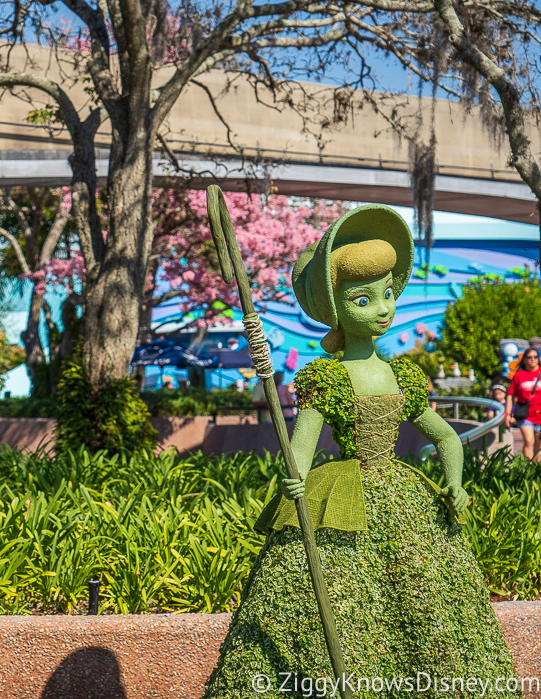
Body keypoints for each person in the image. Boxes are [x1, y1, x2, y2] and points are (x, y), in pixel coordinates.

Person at [203, 204, 517, 698]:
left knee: (420, 595)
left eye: (387, 295)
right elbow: (302, 445)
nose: (383, 309)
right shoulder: (325, 377)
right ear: (338, 307)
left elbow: (445, 436)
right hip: (342, 492)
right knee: (339, 594)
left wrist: (455, 483)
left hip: (405, 496)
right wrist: (295, 479)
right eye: (365, 299)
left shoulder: (404, 376)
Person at [506, 347, 541, 461]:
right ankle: (527, 469)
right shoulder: (519, 375)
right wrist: (508, 413)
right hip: (525, 415)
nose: (532, 359)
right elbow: (510, 394)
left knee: (539, 445)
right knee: (529, 441)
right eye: (529, 357)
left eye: (535, 357)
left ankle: (536, 471)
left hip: (540, 415)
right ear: (524, 360)